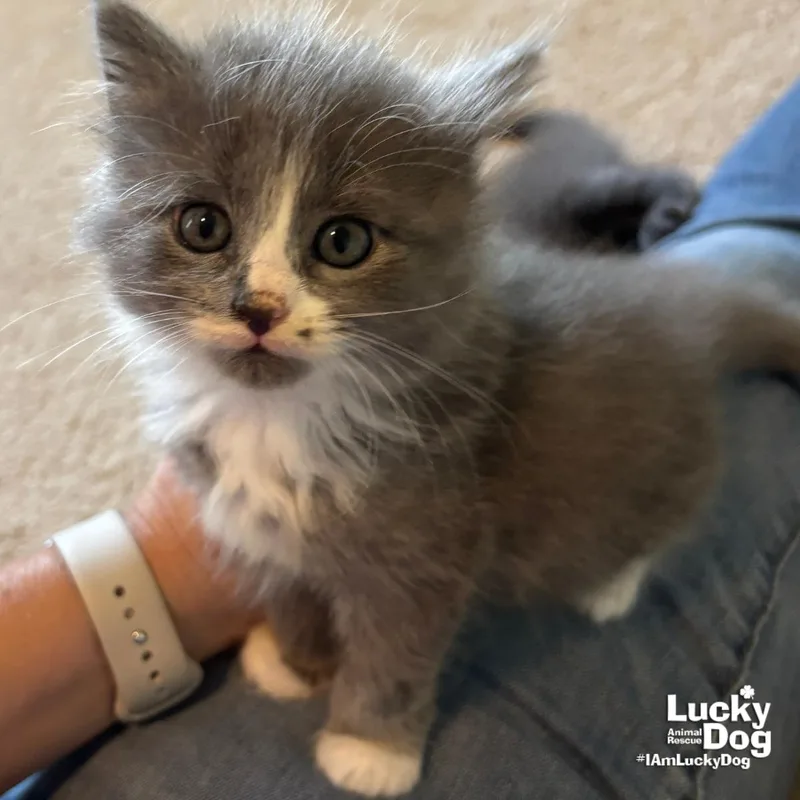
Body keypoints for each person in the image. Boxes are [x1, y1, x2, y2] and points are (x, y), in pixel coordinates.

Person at [3, 78, 800, 800]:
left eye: (340, 243)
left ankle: (747, 245)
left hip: (644, 434)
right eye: (205, 227)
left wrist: (378, 723)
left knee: (736, 278)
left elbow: (417, 585)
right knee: (750, 244)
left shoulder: (420, 416)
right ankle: (750, 234)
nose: (257, 304)